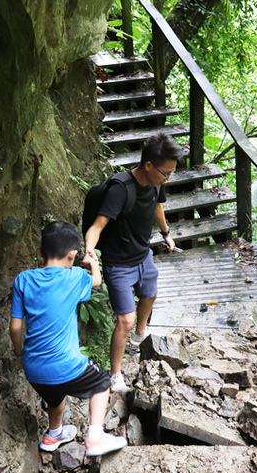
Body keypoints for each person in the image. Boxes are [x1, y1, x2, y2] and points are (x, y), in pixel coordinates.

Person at [9, 221, 127, 456]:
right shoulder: (74, 277)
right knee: (102, 382)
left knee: (55, 395)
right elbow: (97, 281)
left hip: (33, 369)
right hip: (66, 365)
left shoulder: (23, 280)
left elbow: (14, 327)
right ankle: (95, 438)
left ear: (40, 252)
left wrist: (20, 354)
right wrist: (93, 264)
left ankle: (54, 435)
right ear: (73, 254)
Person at [84, 132, 183, 393]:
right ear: (149, 165)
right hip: (118, 263)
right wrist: (89, 251)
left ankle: (140, 336)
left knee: (150, 294)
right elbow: (97, 226)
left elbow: (157, 207)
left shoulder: (156, 181)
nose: (168, 178)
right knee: (124, 320)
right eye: (166, 173)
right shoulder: (120, 189)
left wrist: (166, 233)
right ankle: (114, 375)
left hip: (143, 255)